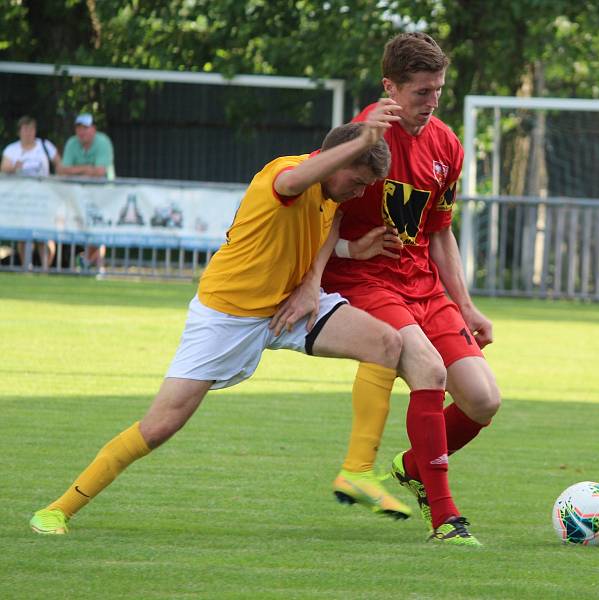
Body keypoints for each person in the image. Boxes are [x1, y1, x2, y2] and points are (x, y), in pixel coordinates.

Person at [28, 101, 409, 536]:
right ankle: (58, 510)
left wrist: (329, 267)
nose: (359, 193)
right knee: (159, 427)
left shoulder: (331, 197)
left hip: (288, 306)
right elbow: (296, 181)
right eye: (357, 181)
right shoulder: (285, 174)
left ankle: (357, 472)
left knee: (387, 344)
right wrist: (363, 139)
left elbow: (330, 225)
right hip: (226, 316)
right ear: (335, 161)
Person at [322, 32, 501, 546]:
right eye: (421, 92)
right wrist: (335, 264)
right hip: (366, 282)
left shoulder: (447, 145)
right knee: (428, 367)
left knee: (484, 400)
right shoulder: (359, 136)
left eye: (438, 91)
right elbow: (320, 212)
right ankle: (446, 518)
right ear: (389, 88)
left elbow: (440, 231)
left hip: (424, 285)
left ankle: (412, 465)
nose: (432, 102)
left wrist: (466, 305)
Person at [1, 115, 61, 268]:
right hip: (23, 200)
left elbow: (60, 166)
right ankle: (26, 267)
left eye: (31, 129)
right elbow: (4, 168)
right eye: (25, 129)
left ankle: (45, 269)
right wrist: (15, 167)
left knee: (45, 235)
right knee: (23, 234)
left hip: (44, 198)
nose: (28, 133)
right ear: (19, 131)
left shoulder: (45, 146)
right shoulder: (12, 149)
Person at [58, 113, 116, 270]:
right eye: (79, 128)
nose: (82, 132)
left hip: (103, 196)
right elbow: (63, 171)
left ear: (93, 129)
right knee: (81, 227)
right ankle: (88, 262)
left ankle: (92, 263)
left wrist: (76, 171)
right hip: (78, 197)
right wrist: (86, 169)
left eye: (85, 128)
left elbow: (99, 172)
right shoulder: (72, 143)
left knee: (98, 230)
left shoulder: (102, 142)